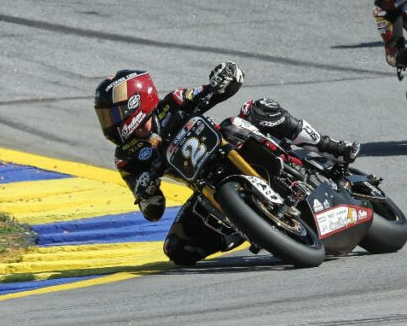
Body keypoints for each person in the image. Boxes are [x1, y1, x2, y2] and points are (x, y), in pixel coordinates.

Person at [93, 62, 360, 265]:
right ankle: (250, 226)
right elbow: (153, 212)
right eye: (105, 117)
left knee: (251, 111)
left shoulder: (173, 103)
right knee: (177, 249)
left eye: (113, 113)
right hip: (207, 187)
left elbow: (217, 91)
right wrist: (145, 192)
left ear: (137, 102)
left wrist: (225, 77)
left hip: (237, 148)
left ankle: (330, 148)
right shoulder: (125, 158)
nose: (110, 122)